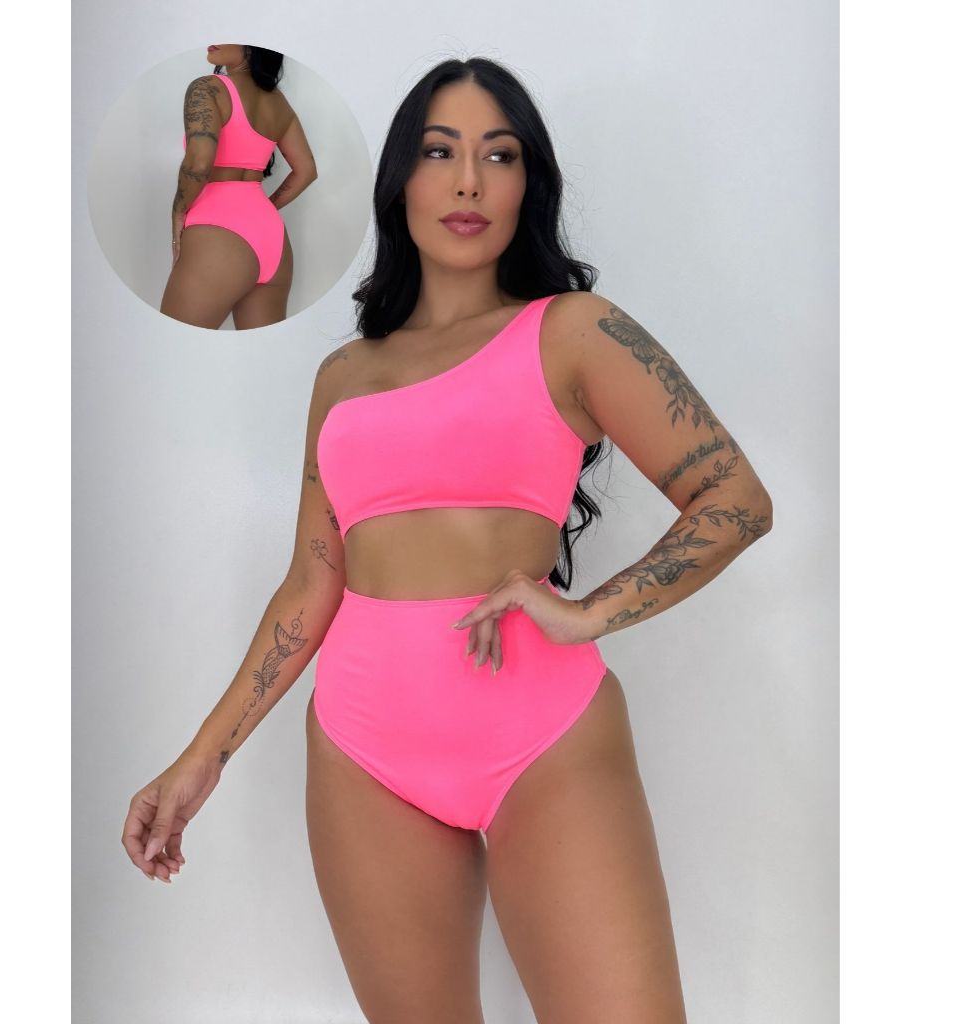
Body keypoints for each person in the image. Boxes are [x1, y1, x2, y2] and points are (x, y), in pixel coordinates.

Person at [123, 56, 773, 1023]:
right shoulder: (344, 376)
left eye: (498, 155)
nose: (468, 180)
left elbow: (736, 497)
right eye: (440, 152)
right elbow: (310, 584)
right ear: (402, 180)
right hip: (362, 753)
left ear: (526, 185)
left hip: (545, 738)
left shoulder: (575, 331)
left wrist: (591, 611)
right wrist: (200, 759)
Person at [159, 43, 317, 330]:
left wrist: (178, 211)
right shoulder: (279, 102)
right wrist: (261, 210)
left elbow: (199, 164)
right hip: (273, 238)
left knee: (173, 345)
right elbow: (306, 172)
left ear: (253, 46)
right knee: (261, 353)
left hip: (218, 231)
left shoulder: (207, 88)